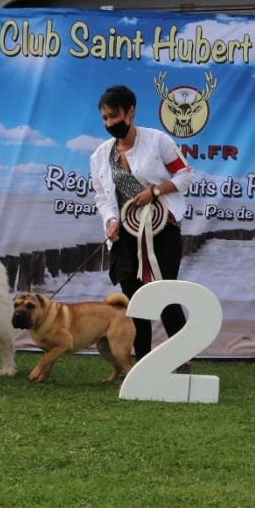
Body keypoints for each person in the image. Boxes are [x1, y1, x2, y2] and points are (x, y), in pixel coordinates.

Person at [89, 85, 196, 366]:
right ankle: (144, 364)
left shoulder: (157, 140)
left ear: (131, 112)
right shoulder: (100, 156)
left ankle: (181, 359)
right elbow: (102, 196)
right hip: (125, 239)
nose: (109, 123)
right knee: (134, 303)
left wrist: (155, 191)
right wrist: (111, 222)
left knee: (166, 296)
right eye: (104, 118)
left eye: (114, 116)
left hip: (162, 232)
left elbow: (186, 175)